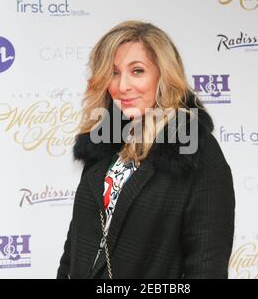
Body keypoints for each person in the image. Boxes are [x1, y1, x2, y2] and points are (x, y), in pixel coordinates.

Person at [57, 20, 235, 279]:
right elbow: (75, 245)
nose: (122, 86)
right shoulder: (103, 142)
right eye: (114, 72)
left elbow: (207, 266)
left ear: (163, 75)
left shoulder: (194, 149)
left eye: (137, 71)